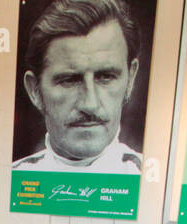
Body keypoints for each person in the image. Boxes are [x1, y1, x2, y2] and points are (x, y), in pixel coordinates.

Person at [12, 0, 144, 174]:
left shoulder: (153, 183)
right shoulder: (9, 180)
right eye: (69, 80)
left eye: (106, 77)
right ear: (34, 89)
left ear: (131, 78)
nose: (89, 104)